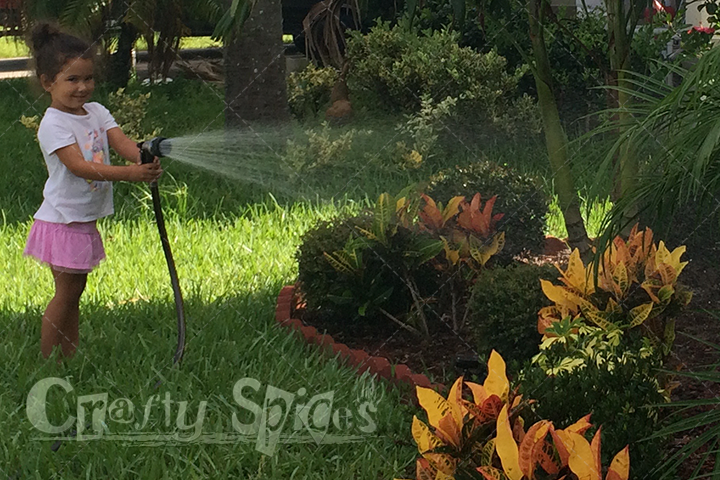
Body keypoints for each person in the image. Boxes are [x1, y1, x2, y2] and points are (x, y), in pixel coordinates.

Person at [23, 23, 163, 360]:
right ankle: (49, 361)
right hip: (63, 220)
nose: (83, 87)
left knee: (74, 292)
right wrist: (131, 174)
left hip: (81, 219)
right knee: (66, 295)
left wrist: (144, 155)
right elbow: (78, 166)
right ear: (47, 83)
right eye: (72, 80)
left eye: (88, 78)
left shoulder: (97, 112)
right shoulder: (53, 124)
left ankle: (67, 356)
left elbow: (122, 142)